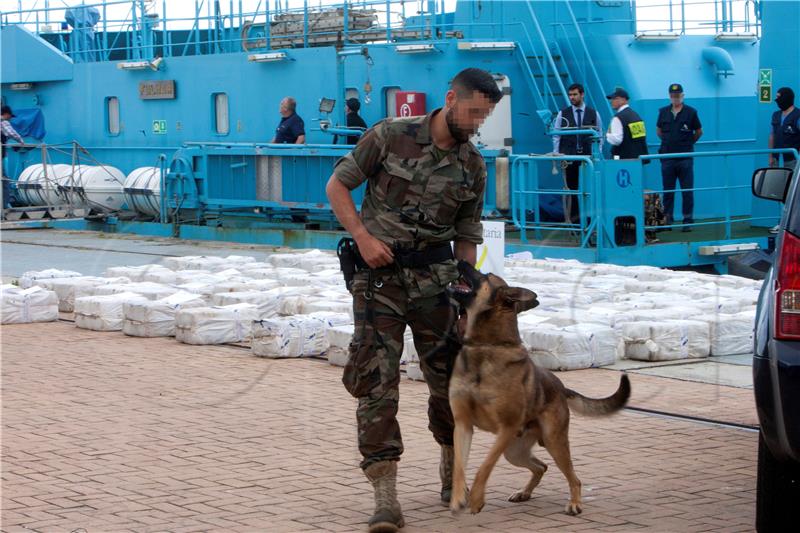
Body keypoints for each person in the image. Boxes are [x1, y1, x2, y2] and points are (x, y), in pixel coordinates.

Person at [325, 67, 502, 533]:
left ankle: (450, 466)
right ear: (450, 99)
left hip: (436, 285)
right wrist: (361, 236)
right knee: (375, 384)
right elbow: (337, 186)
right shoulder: (388, 135)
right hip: (378, 281)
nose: (477, 123)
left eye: (484, 116)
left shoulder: (473, 165)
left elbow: (466, 238)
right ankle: (386, 497)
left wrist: (468, 305)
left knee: (450, 384)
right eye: (473, 112)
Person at [552, 83, 602, 225]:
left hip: (588, 159)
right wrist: (556, 153)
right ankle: (575, 223)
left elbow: (599, 134)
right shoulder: (563, 114)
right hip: (570, 158)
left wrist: (597, 153)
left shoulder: (593, 114)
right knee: (572, 191)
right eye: (570, 95)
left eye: (575, 94)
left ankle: (592, 221)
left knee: (589, 190)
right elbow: (556, 135)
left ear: (582, 94)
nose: (572, 97)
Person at [656, 83, 703, 232]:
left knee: (687, 191)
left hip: (685, 158)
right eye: (672, 95)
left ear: (682, 96)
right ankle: (668, 220)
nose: (675, 98)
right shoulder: (663, 112)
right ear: (669, 96)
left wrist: (688, 143)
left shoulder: (691, 112)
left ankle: (687, 220)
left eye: (677, 95)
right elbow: (659, 131)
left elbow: (698, 131)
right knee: (668, 191)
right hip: (668, 158)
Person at [605, 87, 649, 161]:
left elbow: (616, 140)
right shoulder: (636, 115)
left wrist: (607, 134)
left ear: (623, 100)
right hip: (638, 159)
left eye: (615, 98)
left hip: (623, 161)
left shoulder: (618, 118)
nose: (611, 101)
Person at [769, 87, 800, 169]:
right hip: (776, 159)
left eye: (779, 97)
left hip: (793, 160)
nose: (776, 100)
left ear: (786, 98)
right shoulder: (775, 115)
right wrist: (770, 156)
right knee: (777, 181)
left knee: (792, 181)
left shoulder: (798, 115)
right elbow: (772, 136)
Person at [1, 105, 24, 209]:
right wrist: (21, 141)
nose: (10, 118)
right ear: (6, 114)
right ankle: (4, 205)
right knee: (4, 181)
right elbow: (11, 133)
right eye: (10, 116)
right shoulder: (3, 122)